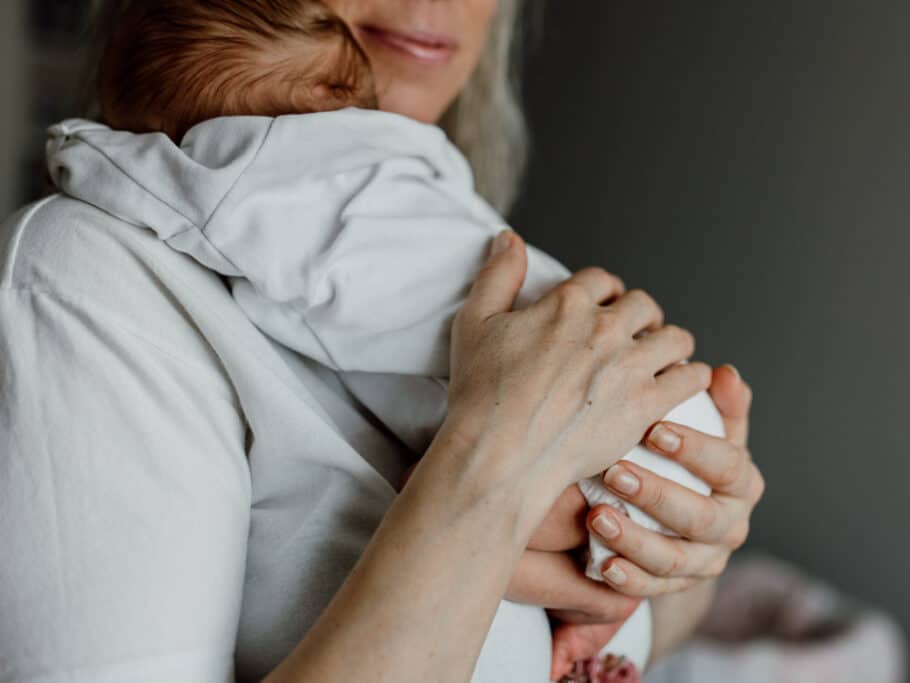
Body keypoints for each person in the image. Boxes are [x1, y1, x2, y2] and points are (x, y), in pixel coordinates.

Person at [0, 0, 764, 681]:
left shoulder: (453, 250)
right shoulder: (91, 277)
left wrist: (688, 551)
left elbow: (657, 616)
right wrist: (496, 457)